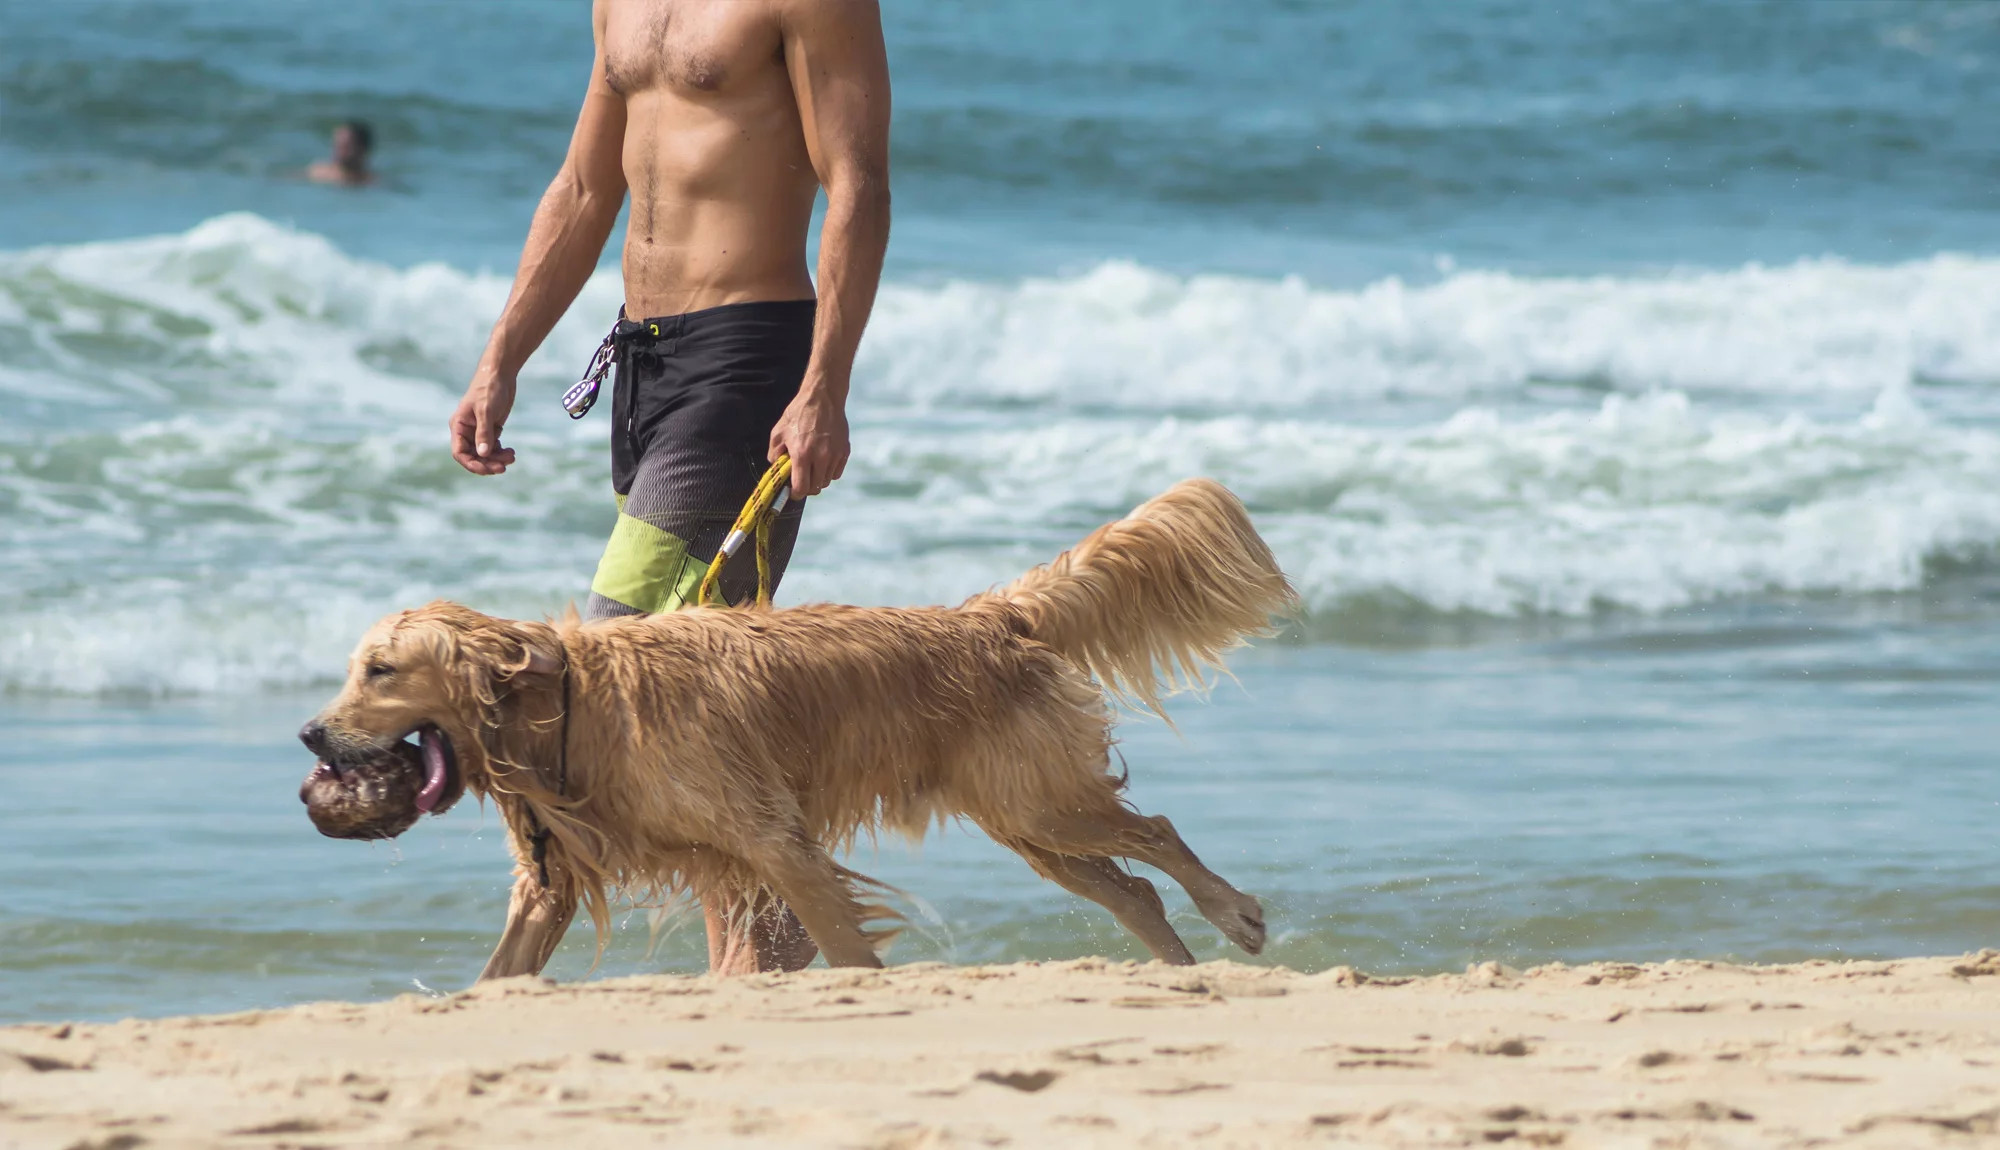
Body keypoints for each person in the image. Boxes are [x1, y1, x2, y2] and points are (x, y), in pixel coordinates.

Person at [447, 0, 891, 975]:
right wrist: (501, 358)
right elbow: (579, 189)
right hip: (643, 363)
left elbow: (856, 182)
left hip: (749, 354)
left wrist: (825, 386)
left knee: (603, 666)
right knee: (697, 698)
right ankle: (763, 957)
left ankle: (525, 948)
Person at [307, 120, 376, 186]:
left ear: (362, 149)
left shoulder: (370, 181)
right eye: (337, 145)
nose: (338, 152)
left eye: (345, 146)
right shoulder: (318, 173)